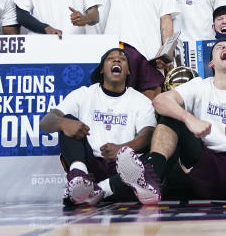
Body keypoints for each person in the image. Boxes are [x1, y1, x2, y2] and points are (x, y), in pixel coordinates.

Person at [115, 40, 226, 204]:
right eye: (219, 48)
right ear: (211, 64)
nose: (225, 48)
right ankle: (150, 177)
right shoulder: (199, 85)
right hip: (204, 169)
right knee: (170, 115)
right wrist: (189, 118)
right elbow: (160, 101)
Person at [41, 48, 156, 206]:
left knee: (148, 160)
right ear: (102, 69)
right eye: (110, 58)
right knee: (67, 120)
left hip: (122, 168)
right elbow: (46, 122)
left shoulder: (140, 101)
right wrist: (63, 123)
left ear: (128, 70)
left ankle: (98, 191)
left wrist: (123, 149)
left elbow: (148, 134)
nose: (116, 60)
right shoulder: (84, 94)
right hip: (90, 167)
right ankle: (78, 175)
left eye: (122, 59)